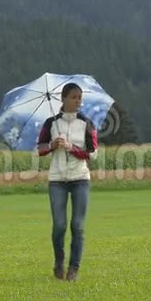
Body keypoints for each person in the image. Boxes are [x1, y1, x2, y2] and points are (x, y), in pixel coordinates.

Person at [37, 82, 98, 281]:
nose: (78, 101)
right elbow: (39, 149)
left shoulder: (87, 123)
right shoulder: (50, 123)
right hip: (57, 179)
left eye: (80, 98)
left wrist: (71, 147)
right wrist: (53, 145)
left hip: (80, 178)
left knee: (78, 226)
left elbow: (93, 153)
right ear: (63, 98)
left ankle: (73, 269)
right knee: (60, 226)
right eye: (74, 97)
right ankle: (59, 262)